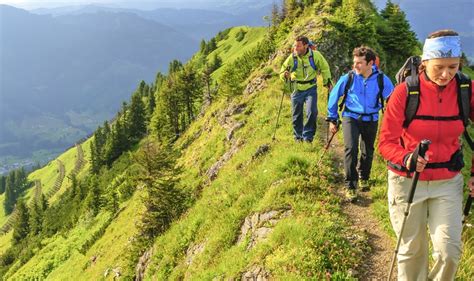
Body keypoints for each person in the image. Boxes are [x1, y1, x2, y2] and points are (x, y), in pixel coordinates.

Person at [378, 29, 474, 280]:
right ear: (425, 63)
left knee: (449, 252)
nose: (446, 74)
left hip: (448, 181)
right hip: (407, 180)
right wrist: (406, 157)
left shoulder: (466, 90)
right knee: (412, 250)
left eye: (453, 66)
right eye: (439, 67)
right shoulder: (405, 92)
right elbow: (386, 142)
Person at [327, 46, 394, 201]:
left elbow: (392, 100)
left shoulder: (381, 79)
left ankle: (364, 176)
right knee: (351, 149)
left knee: (368, 150)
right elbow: (334, 96)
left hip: (371, 118)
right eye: (354, 62)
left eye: (359, 63)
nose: (355, 66)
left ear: (370, 63)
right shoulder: (349, 77)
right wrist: (332, 118)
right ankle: (350, 185)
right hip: (351, 117)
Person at [279, 36, 332, 143]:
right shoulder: (292, 57)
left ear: (306, 46)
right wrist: (284, 75)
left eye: (298, 46)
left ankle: (308, 137)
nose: (295, 48)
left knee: (312, 112)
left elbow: (324, 67)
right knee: (296, 114)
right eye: (295, 45)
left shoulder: (315, 56)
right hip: (296, 88)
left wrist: (327, 82)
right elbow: (282, 70)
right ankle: (298, 137)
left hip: (311, 88)